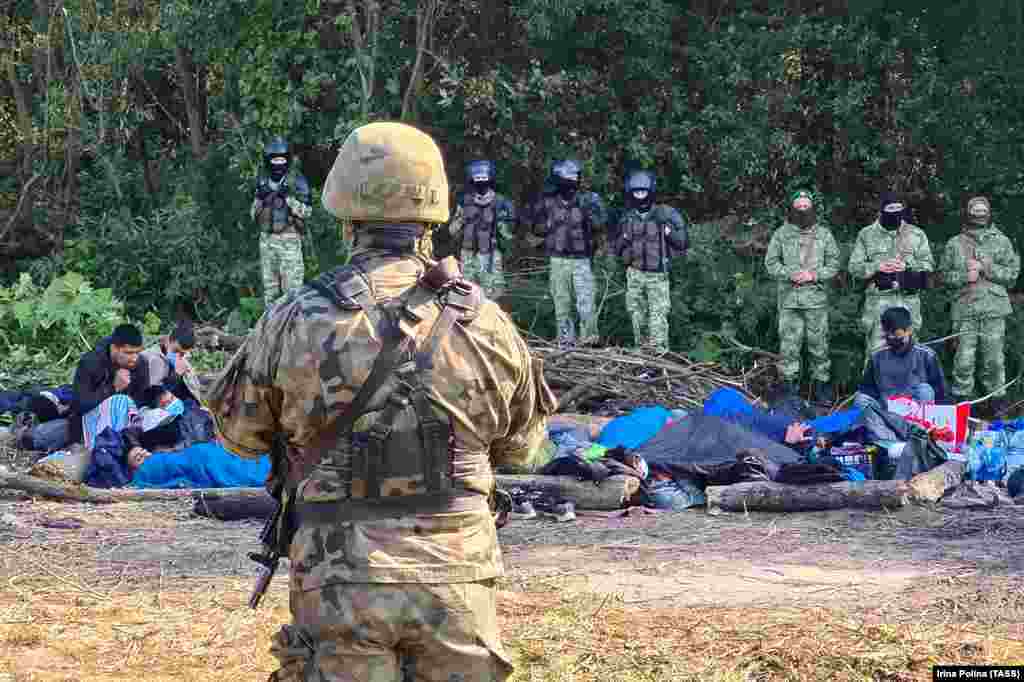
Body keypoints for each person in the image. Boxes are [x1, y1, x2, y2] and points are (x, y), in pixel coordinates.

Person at [206, 121, 555, 681]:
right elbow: (525, 450)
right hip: (458, 577)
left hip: (341, 577)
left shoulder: (296, 316)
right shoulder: (485, 322)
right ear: (433, 211)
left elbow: (239, 437)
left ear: (346, 213)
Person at [940, 195, 1021, 414]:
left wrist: (987, 268)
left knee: (994, 363)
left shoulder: (1002, 241)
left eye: (982, 211)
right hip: (964, 311)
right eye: (974, 211)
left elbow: (1013, 275)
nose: (979, 214)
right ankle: (961, 414)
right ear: (968, 213)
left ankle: (997, 412)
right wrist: (965, 275)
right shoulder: (954, 243)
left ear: (989, 213)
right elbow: (943, 277)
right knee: (963, 363)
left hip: (994, 311)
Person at [764, 190, 840, 404]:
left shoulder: (824, 235)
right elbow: (770, 263)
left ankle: (821, 390)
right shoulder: (781, 234)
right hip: (789, 301)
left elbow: (834, 264)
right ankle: (789, 393)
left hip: (816, 302)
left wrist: (813, 275)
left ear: (813, 208)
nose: (802, 211)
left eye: (806, 207)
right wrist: (789, 274)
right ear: (792, 209)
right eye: (798, 207)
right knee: (788, 347)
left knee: (819, 346)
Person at [526, 159, 608, 345]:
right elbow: (534, 228)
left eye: (573, 177)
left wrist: (588, 215)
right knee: (562, 304)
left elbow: (601, 225)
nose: (570, 182)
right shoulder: (547, 202)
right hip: (558, 259)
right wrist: (544, 237)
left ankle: (589, 341)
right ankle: (565, 341)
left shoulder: (589, 200)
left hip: (582, 260)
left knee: (586, 304)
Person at [848, 191, 934, 361]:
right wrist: (876, 266)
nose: (895, 212)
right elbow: (854, 267)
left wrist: (907, 266)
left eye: (898, 208)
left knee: (910, 352)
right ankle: (873, 387)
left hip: (908, 302)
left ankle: (909, 388)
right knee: (876, 354)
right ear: (881, 211)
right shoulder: (866, 235)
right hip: (879, 303)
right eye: (890, 208)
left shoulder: (916, 234)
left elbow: (929, 265)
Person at [614, 169, 688, 352]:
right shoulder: (627, 217)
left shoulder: (666, 214)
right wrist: (624, 244)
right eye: (636, 192)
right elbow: (616, 247)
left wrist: (668, 231)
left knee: (658, 316)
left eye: (643, 192)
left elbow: (683, 242)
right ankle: (642, 355)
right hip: (635, 274)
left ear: (651, 191)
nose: (640, 196)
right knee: (637, 316)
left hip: (657, 276)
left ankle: (659, 356)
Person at [853, 307, 948, 441]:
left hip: (915, 416)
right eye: (888, 333)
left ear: (908, 330)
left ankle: (919, 437)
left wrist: (944, 425)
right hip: (886, 414)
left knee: (925, 390)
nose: (891, 337)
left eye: (896, 334)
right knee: (860, 399)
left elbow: (940, 393)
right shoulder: (877, 356)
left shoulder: (926, 355)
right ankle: (886, 440)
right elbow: (868, 391)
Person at [252, 136, 313, 307]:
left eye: (281, 159)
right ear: (268, 159)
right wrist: (261, 199)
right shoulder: (262, 180)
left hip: (289, 239)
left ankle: (294, 330)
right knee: (270, 292)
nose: (278, 163)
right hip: (266, 240)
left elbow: (307, 212)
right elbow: (253, 214)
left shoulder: (296, 180)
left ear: (287, 159)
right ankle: (271, 329)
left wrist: (288, 198)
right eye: (274, 159)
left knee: (293, 293)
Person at [69, 323, 150, 448]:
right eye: (128, 353)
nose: (134, 358)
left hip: (128, 420)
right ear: (114, 348)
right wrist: (113, 388)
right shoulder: (91, 362)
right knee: (120, 401)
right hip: (90, 423)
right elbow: (78, 405)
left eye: (137, 352)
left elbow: (143, 399)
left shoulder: (141, 363)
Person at [447, 159, 516, 300]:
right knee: (466, 295)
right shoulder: (464, 201)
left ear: (490, 179)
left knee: (491, 297)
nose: (480, 183)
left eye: (483, 179)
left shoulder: (501, 202)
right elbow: (452, 231)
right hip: (467, 255)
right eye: (476, 179)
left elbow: (509, 236)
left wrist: (502, 226)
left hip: (490, 255)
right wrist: (461, 219)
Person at [141, 319, 200, 402]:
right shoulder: (151, 358)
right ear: (168, 340)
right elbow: (152, 396)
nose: (178, 356)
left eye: (182, 354)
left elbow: (194, 389)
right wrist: (176, 375)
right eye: (176, 351)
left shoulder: (182, 361)